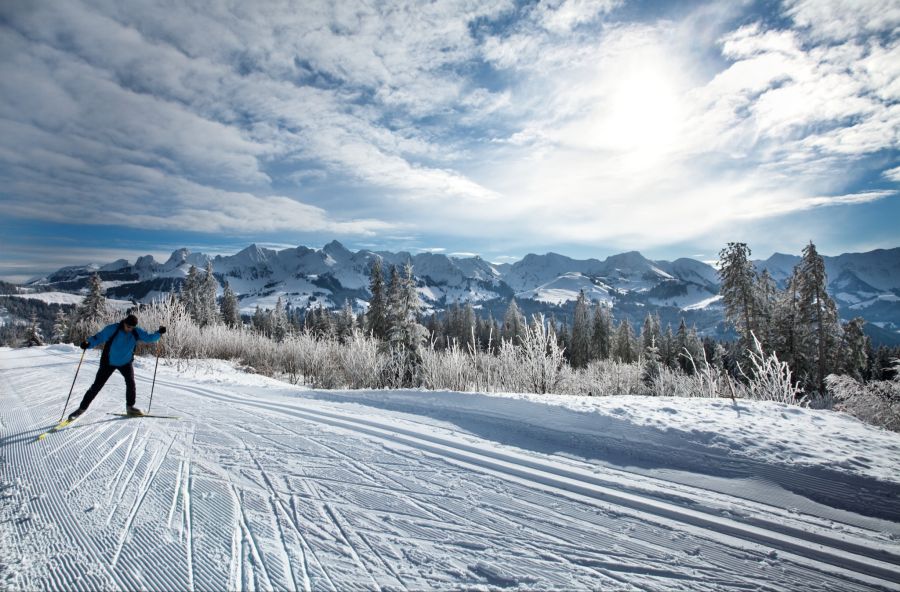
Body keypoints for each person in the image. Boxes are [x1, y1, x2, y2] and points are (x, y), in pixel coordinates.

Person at [68, 314, 166, 420]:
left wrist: (159, 333)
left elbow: (149, 338)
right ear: (124, 323)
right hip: (108, 362)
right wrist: (88, 343)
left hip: (126, 362)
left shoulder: (136, 331)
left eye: (132, 327)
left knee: (131, 383)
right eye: (128, 326)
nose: (129, 329)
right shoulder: (113, 329)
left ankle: (130, 407)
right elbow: (99, 337)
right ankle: (81, 409)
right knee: (97, 386)